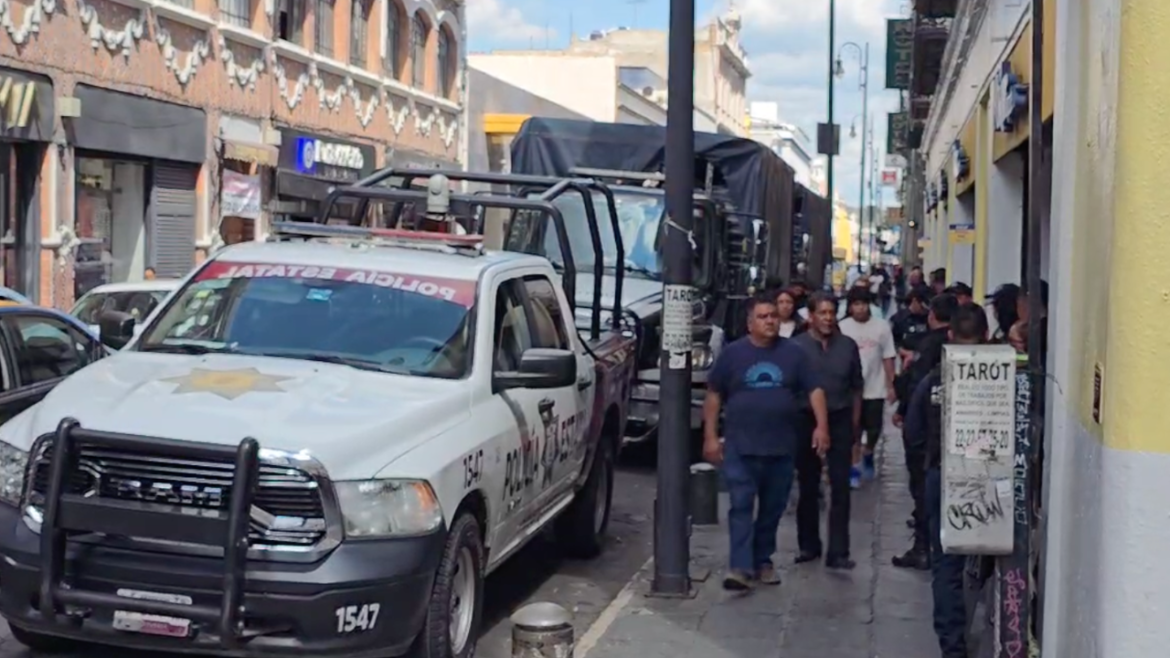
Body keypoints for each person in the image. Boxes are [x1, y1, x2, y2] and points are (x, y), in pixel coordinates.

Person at [703, 295, 829, 591]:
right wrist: (710, 436)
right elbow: (714, 395)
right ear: (750, 324)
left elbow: (815, 390)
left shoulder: (795, 354)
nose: (770, 321)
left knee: (772, 508)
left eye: (773, 316)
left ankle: (763, 560)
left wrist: (821, 427)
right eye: (763, 317)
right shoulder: (733, 354)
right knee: (741, 504)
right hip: (740, 445)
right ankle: (740, 567)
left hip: (781, 446)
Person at [904, 302, 989, 658]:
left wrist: (927, 470)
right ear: (985, 336)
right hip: (989, 476)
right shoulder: (1001, 378)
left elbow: (913, 432)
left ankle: (952, 645)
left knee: (946, 563)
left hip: (945, 474)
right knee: (998, 555)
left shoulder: (934, 379)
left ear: (950, 335)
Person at [791, 292, 863, 570]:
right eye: (822, 312)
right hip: (804, 419)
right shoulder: (796, 347)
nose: (828, 318)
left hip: (841, 417)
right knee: (808, 484)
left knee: (841, 485)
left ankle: (839, 551)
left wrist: (856, 429)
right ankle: (808, 545)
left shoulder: (847, 346)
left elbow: (857, 388)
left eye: (832, 312)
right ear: (811, 316)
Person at [892, 292, 959, 569]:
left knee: (922, 489)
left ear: (932, 316)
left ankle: (923, 547)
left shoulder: (929, 346)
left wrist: (903, 411)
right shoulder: (958, 348)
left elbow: (917, 387)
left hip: (927, 434)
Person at [839, 287, 897, 486]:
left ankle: (869, 453)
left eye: (863, 304)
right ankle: (854, 467)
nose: (860, 308)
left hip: (875, 387)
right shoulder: (843, 328)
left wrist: (891, 385)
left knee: (874, 429)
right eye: (856, 304)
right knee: (853, 429)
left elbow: (888, 356)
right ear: (850, 306)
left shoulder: (881, 327)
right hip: (850, 390)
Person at [891, 286, 931, 368]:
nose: (924, 311)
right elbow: (892, 342)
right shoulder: (899, 318)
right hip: (905, 362)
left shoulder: (929, 318)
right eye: (922, 307)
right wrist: (905, 352)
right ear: (915, 301)